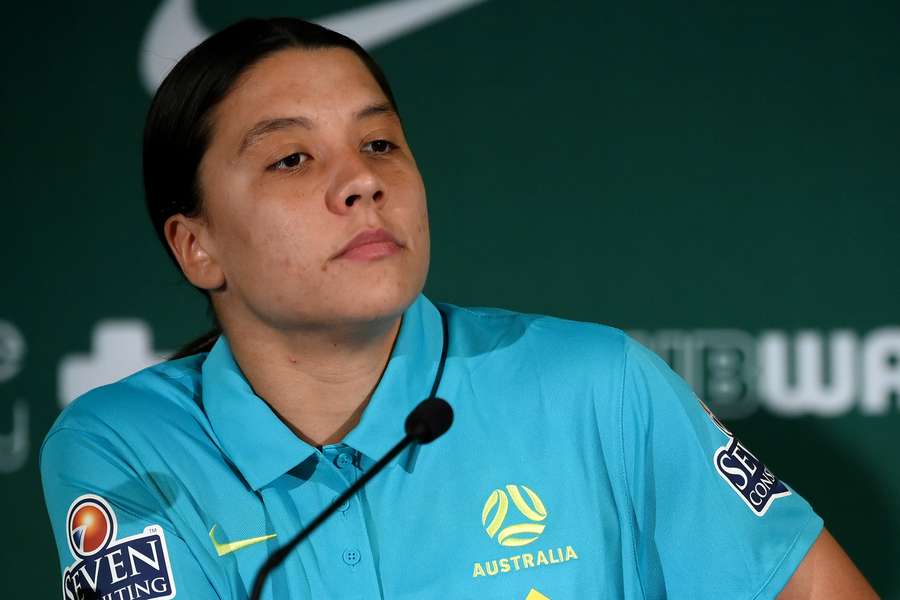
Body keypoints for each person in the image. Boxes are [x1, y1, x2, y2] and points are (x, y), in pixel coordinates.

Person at [40, 17, 876, 600]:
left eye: (379, 144)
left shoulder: (596, 385)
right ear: (197, 247)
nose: (362, 180)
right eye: (293, 158)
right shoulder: (126, 445)